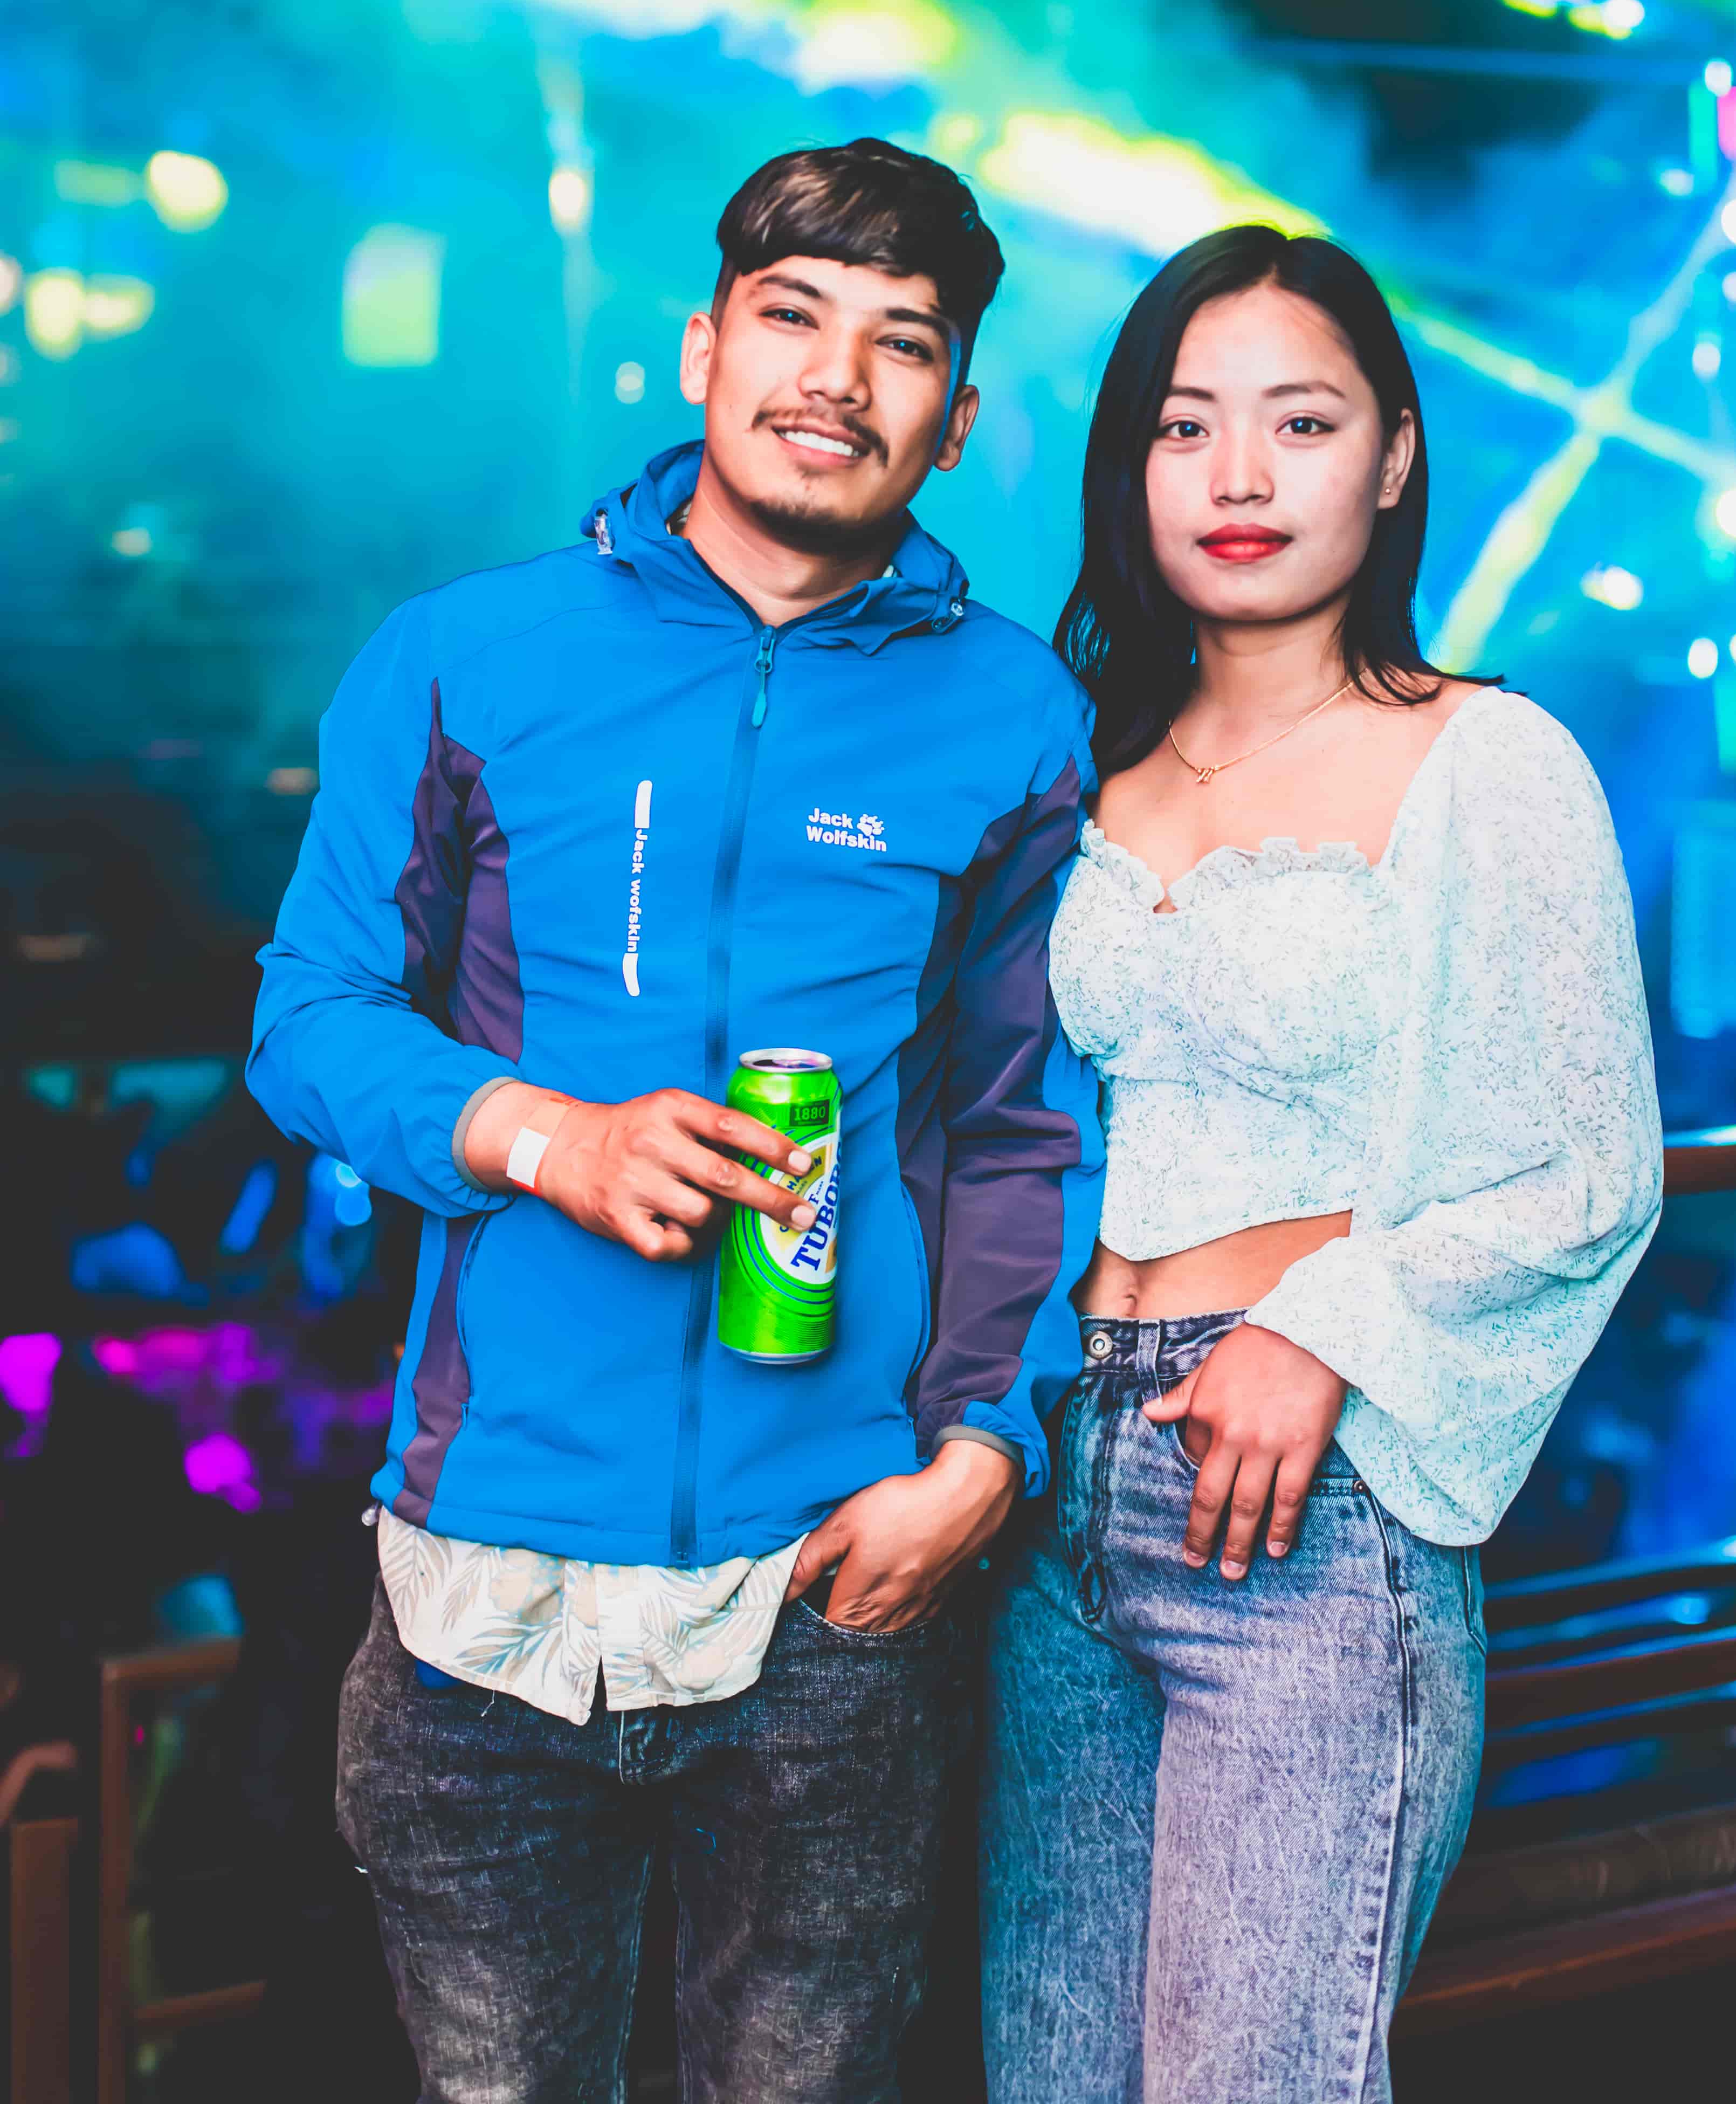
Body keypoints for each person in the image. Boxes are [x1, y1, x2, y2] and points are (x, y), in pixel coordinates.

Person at [249, 138, 1103, 2104]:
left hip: (834, 1587)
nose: (839, 377)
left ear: (958, 421)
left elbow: (1022, 1125)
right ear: (705, 350)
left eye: (903, 344)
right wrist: (546, 1136)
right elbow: (310, 1020)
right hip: (488, 1584)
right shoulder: (464, 654)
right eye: (794, 318)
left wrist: (983, 1454)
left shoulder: (1013, 717)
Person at [980, 225, 1662, 2104]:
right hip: (1050, 1485)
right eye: (1185, 425)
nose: (1240, 476)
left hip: (1300, 1498)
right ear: (1131, 467)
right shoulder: (1081, 768)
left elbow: (1592, 1165)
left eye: (1301, 422)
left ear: (1395, 455)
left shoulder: (1486, 760)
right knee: (1047, 2078)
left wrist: (1325, 1330)